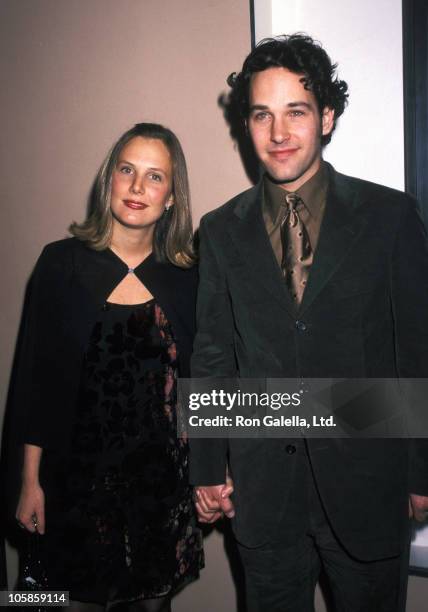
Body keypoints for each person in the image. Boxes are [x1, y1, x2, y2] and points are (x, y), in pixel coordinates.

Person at [189, 34, 428, 611]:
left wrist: (422, 471)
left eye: (295, 112)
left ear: (326, 116)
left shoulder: (390, 216)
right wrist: (206, 465)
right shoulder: (220, 231)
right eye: (262, 115)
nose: (278, 133)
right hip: (264, 492)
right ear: (246, 125)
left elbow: (416, 350)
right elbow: (214, 354)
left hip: (370, 486)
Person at [11, 123, 203, 612]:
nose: (138, 187)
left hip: (161, 493)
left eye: (155, 177)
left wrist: (213, 473)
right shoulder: (60, 265)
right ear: (109, 180)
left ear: (172, 198)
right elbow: (35, 385)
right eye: (127, 170)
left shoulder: (189, 278)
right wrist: (29, 482)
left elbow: (202, 385)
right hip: (75, 488)